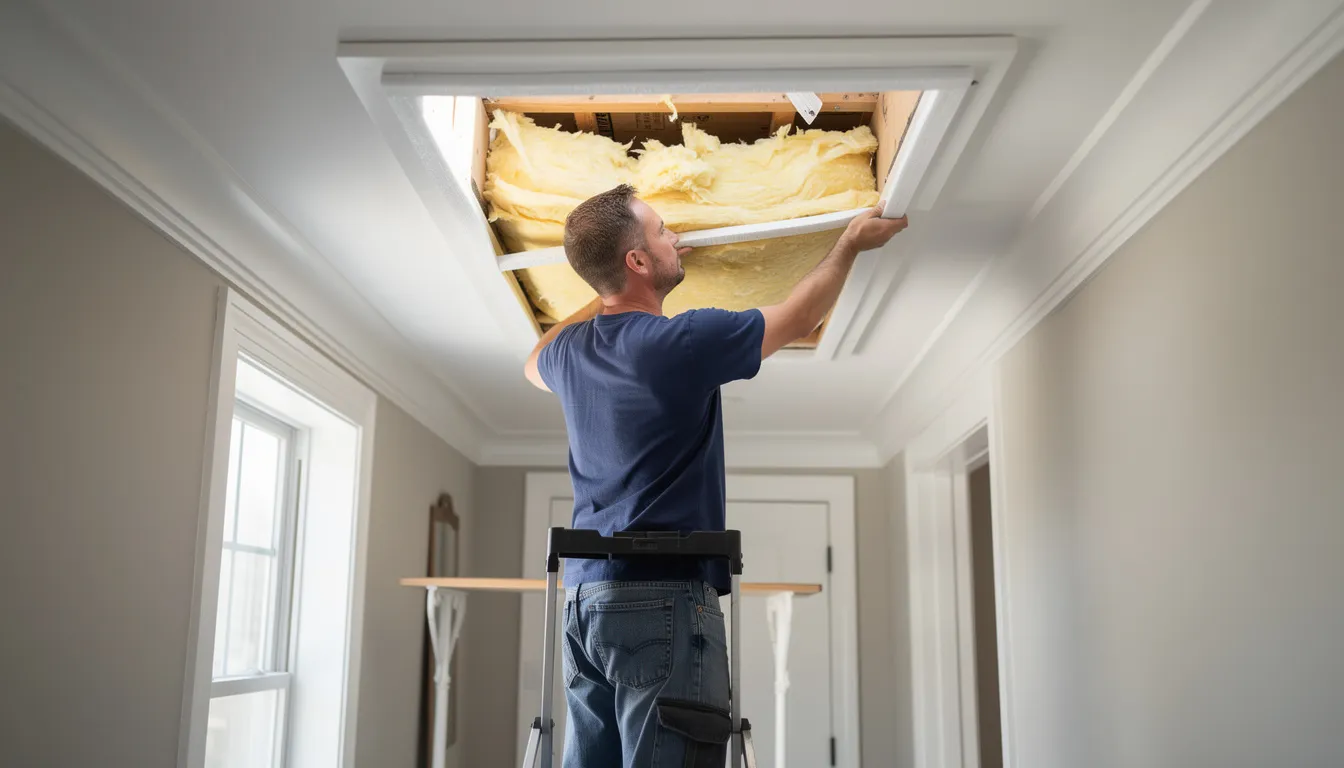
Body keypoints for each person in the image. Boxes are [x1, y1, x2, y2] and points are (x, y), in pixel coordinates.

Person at [525, 183, 907, 767]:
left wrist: (605, 291)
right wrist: (850, 242)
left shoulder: (567, 352)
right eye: (660, 231)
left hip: (584, 600)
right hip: (662, 597)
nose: (675, 237)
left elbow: (532, 361)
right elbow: (801, 316)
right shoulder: (681, 340)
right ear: (637, 261)